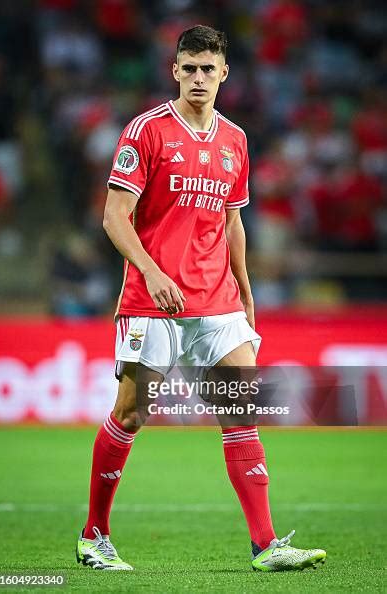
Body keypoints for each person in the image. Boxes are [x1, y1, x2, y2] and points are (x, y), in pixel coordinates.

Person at [76, 25, 326, 573]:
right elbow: (113, 217)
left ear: (224, 74)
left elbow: (232, 222)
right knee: (132, 412)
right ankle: (94, 535)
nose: (197, 78)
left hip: (218, 300)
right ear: (174, 70)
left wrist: (246, 288)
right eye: (188, 67)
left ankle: (266, 545)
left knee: (240, 414)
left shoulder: (235, 139)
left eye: (207, 69)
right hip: (153, 299)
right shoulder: (146, 132)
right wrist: (151, 271)